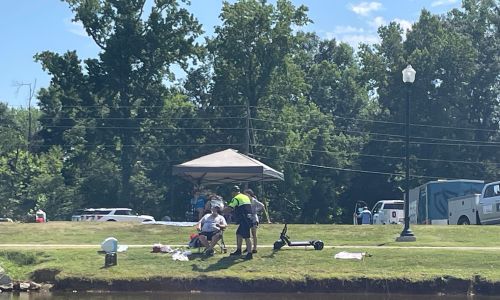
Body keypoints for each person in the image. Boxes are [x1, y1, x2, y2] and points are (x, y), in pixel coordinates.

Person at [223, 185, 253, 260]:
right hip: (249, 218)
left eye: (232, 192)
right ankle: (239, 250)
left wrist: (221, 211)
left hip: (244, 219)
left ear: (233, 192)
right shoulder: (245, 196)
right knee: (239, 233)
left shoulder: (236, 198)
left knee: (247, 236)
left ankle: (249, 254)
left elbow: (230, 208)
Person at [244, 188, 264, 254]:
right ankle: (248, 247)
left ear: (250, 194)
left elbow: (262, 205)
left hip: (254, 218)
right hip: (247, 218)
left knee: (254, 234)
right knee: (247, 234)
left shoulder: (254, 200)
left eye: (246, 194)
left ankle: (254, 248)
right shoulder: (245, 201)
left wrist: (255, 210)